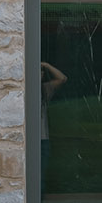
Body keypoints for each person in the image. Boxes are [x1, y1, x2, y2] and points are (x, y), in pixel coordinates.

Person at [39, 58, 67, 190]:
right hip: (27, 140)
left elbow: (62, 78)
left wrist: (47, 65)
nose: (38, 74)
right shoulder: (23, 90)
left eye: (40, 72)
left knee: (40, 177)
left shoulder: (45, 89)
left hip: (43, 141)